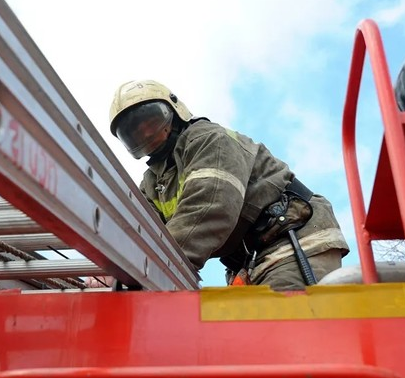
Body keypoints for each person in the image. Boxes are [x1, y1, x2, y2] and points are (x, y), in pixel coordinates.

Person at [108, 80, 349, 290]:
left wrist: (148, 265)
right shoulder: (151, 183)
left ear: (174, 110)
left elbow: (210, 207)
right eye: (134, 133)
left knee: (280, 322)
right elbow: (145, 232)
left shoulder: (207, 139)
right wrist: (115, 270)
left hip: (291, 242)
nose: (146, 134)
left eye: (151, 122)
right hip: (249, 261)